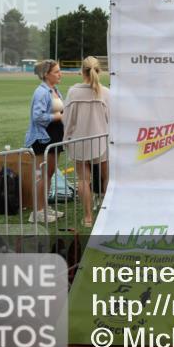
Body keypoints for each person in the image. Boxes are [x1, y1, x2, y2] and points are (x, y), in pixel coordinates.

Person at [63, 56, 110, 227]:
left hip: (79, 141)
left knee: (83, 179)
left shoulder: (73, 92)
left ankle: (88, 217)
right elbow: (110, 118)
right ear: (99, 71)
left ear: (82, 71)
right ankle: (106, 212)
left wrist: (66, 138)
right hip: (101, 140)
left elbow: (66, 119)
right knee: (107, 177)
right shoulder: (106, 92)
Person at [24, 60, 65, 223]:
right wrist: (58, 116)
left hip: (55, 135)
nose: (60, 74)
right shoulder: (41, 92)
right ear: (46, 74)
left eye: (59, 71)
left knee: (50, 174)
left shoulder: (54, 89)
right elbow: (38, 117)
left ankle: (44, 207)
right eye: (56, 72)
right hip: (43, 137)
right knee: (43, 175)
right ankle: (37, 211)